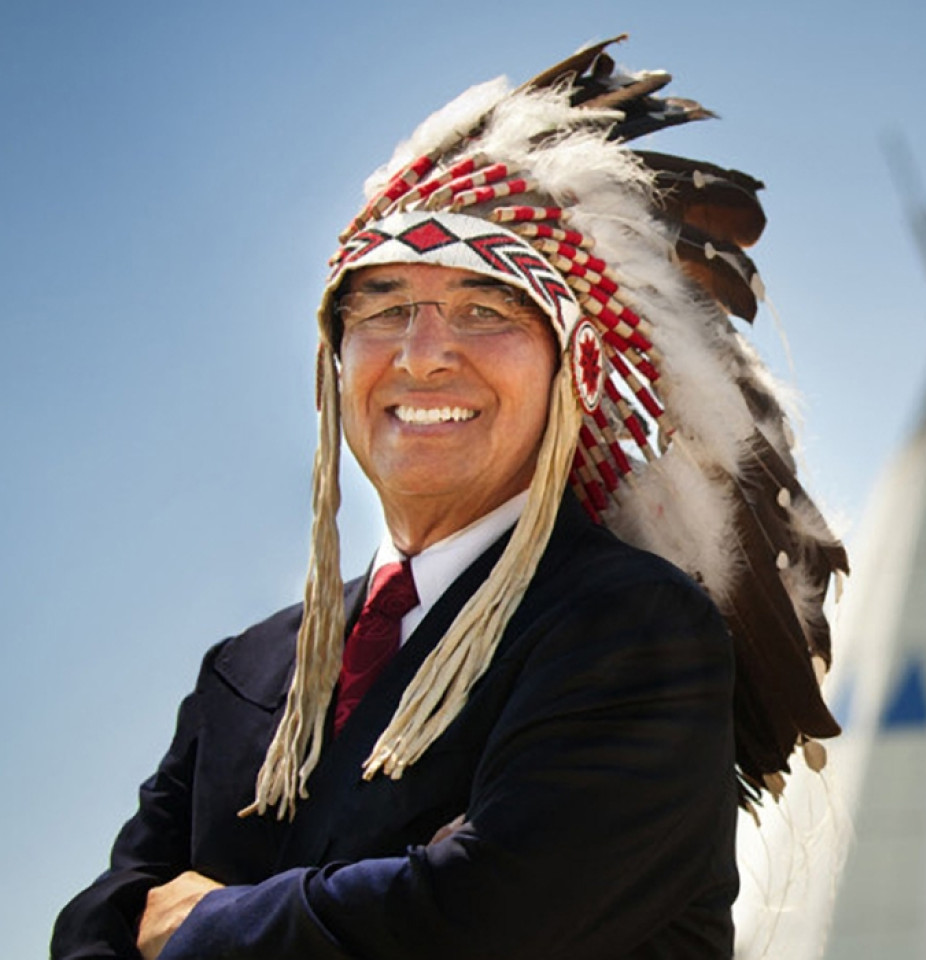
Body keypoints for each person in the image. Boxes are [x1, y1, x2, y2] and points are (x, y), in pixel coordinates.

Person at [51, 36, 847, 960]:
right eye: (384, 307)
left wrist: (202, 922)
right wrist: (386, 889)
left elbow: (483, 920)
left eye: (486, 309)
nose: (423, 353)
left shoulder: (636, 631)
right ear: (334, 364)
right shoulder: (251, 669)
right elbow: (96, 927)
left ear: (575, 373)